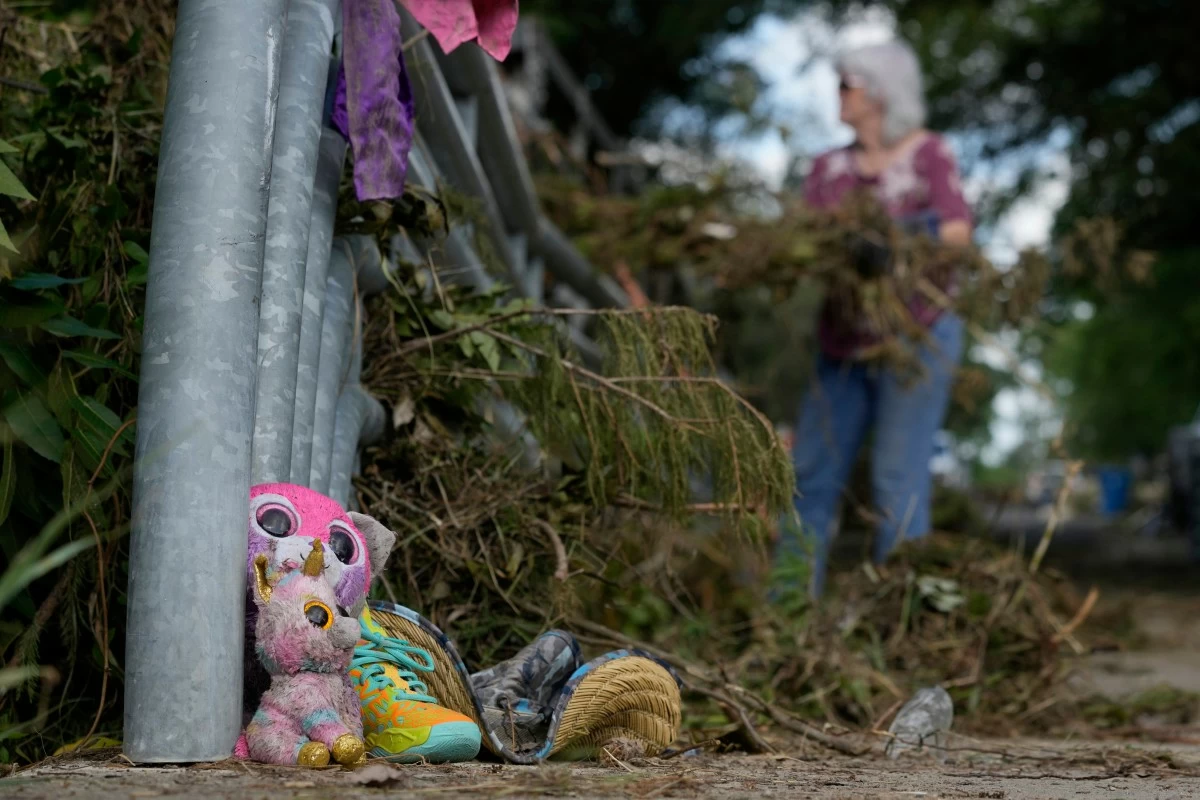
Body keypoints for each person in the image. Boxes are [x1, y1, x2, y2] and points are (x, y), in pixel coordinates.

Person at [780, 39, 973, 598]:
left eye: (847, 84)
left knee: (897, 482)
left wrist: (898, 240)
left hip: (917, 334)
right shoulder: (828, 168)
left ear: (880, 93)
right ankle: (786, 616)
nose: (837, 94)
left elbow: (958, 232)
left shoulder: (928, 154)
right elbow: (803, 242)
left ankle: (905, 623)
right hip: (841, 342)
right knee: (809, 478)